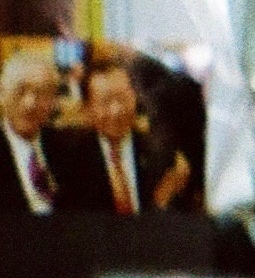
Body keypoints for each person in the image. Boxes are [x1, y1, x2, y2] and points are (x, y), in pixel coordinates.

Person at [74, 55, 196, 215]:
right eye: (105, 101)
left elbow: (182, 216)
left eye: (123, 98)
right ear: (87, 109)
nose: (116, 111)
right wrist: (158, 203)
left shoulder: (162, 153)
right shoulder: (73, 159)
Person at [1, 47, 79, 218]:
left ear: (53, 100)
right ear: (2, 93)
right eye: (20, 90)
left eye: (41, 93)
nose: (30, 103)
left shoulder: (69, 148)